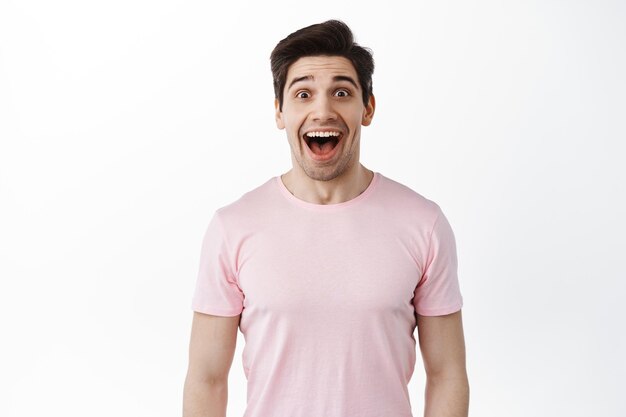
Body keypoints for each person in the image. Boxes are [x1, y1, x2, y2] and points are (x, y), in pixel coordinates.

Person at [183, 19, 469, 417]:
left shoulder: (424, 224)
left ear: (367, 108)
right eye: (303, 93)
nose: (322, 110)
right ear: (280, 111)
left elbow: (447, 374)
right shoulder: (233, 227)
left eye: (341, 92)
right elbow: (206, 379)